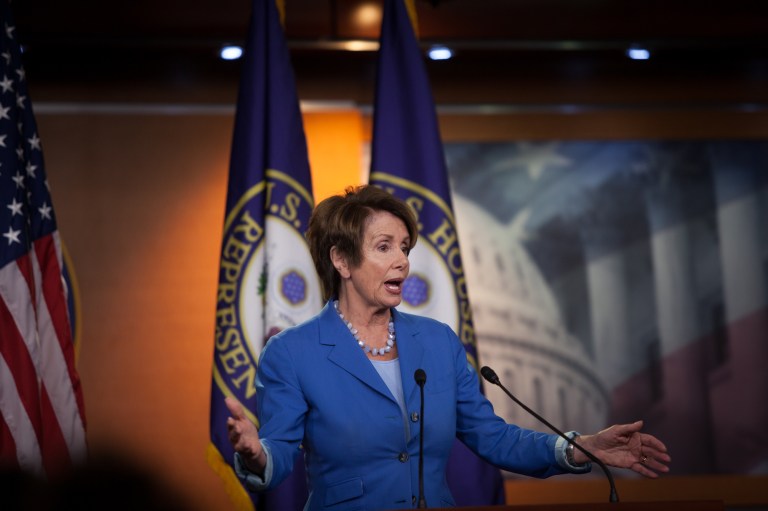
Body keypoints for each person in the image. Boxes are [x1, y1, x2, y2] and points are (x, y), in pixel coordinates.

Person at [225, 184, 671, 510]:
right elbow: (278, 454)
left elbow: (494, 438)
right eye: (384, 247)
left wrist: (582, 447)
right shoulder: (293, 353)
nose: (402, 259)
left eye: (404, 247)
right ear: (341, 260)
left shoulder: (437, 342)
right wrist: (256, 453)